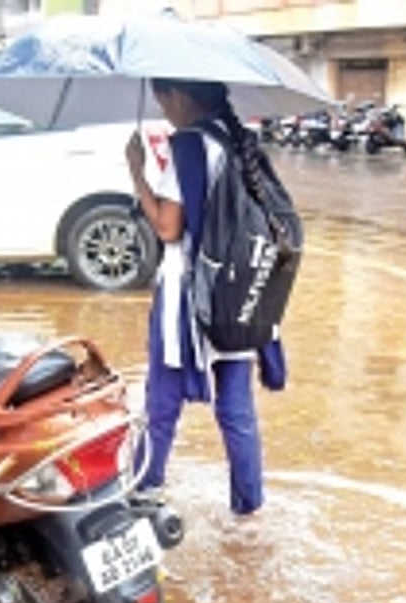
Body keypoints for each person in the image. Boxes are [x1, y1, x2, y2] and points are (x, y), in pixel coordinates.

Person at [125, 78, 289, 518]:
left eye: (163, 100)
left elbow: (167, 227)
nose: (163, 110)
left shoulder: (190, 148)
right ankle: (248, 508)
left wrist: (137, 170)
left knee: (162, 399)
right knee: (237, 410)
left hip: (189, 296)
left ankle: (145, 489)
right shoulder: (241, 142)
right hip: (240, 295)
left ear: (180, 96)